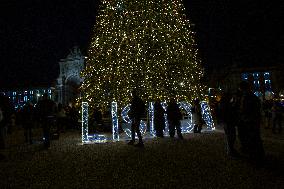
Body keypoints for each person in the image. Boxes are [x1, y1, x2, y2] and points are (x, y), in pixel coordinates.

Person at [238, 81, 265, 162]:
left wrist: (241, 113)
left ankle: (255, 156)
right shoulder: (252, 96)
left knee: (251, 138)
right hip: (253, 120)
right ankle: (258, 154)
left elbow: (245, 109)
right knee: (255, 138)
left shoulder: (247, 97)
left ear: (242, 88)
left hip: (249, 121)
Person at [219, 92, 240, 158]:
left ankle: (230, 150)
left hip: (227, 122)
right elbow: (229, 112)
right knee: (230, 136)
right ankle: (230, 151)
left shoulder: (223, 104)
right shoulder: (226, 105)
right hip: (228, 122)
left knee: (230, 136)